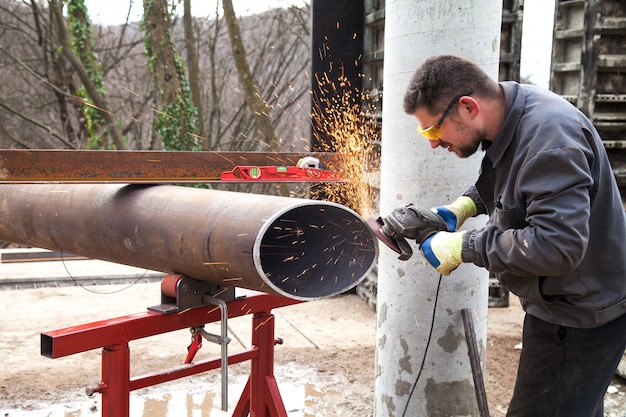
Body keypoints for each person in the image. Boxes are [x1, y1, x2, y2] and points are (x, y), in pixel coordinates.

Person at [402, 55, 626, 417]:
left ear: (468, 107)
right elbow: (511, 179)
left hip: (579, 317)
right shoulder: (512, 115)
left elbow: (557, 247)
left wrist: (464, 247)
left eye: (433, 130)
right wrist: (463, 207)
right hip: (563, 302)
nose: (432, 143)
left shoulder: (551, 141)